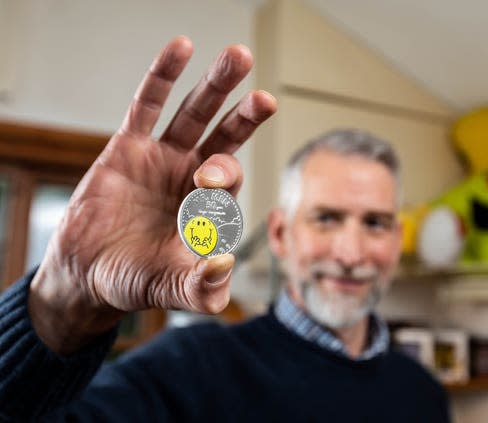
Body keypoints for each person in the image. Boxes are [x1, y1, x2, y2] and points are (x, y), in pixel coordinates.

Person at [0, 37, 450, 422]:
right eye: (326, 219)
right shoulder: (189, 367)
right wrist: (63, 301)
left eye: (375, 223)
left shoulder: (423, 393)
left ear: (396, 241)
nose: (351, 253)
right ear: (278, 234)